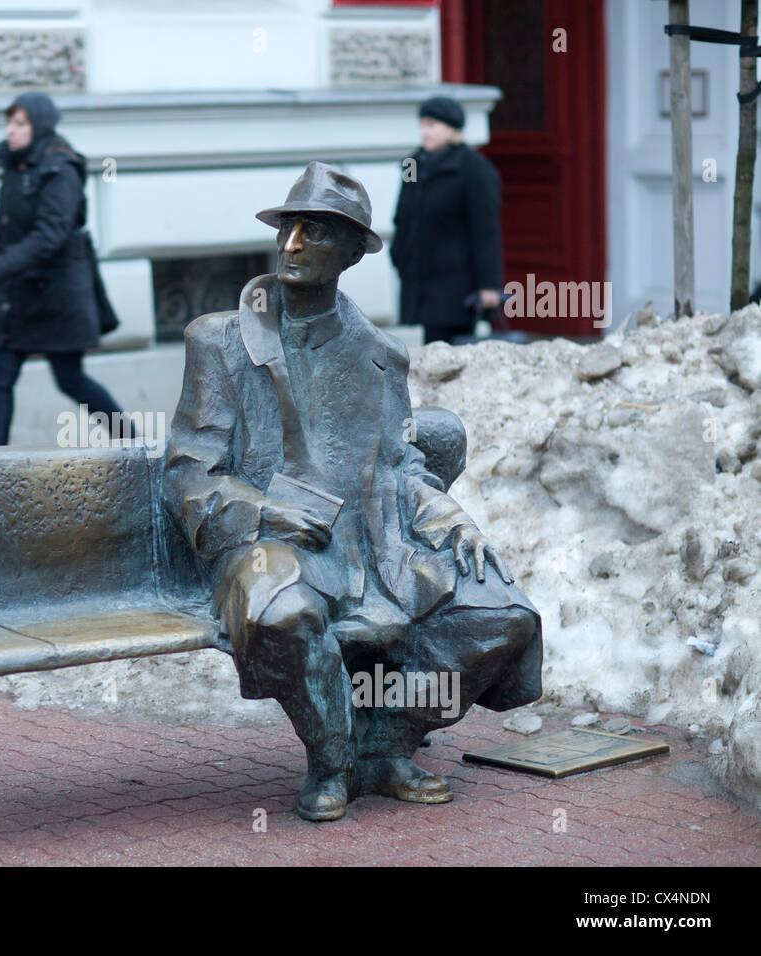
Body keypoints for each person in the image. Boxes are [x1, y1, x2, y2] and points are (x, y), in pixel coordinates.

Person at [163, 163, 542, 822]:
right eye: (287, 229)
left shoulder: (381, 356)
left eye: (312, 233)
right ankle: (332, 758)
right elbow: (189, 471)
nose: (290, 246)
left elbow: (400, 464)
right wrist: (262, 509)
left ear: (350, 252)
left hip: (372, 547)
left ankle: (389, 745)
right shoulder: (221, 341)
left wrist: (451, 518)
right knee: (283, 615)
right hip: (265, 542)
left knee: (502, 618)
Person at [0, 91, 128, 446]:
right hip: (15, 293)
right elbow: (3, 232)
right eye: (9, 122)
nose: (11, 131)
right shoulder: (15, 164)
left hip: (57, 293)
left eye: (20, 124)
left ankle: (135, 442)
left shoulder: (61, 168)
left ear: (39, 125)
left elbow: (49, 236)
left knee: (70, 378)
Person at [390, 95, 505, 344]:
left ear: (452, 129)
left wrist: (489, 285)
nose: (425, 132)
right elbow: (403, 215)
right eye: (422, 125)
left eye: (432, 125)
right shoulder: (412, 164)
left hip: (456, 283)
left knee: (452, 353)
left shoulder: (475, 168)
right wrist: (399, 256)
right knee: (431, 347)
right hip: (420, 279)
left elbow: (485, 230)